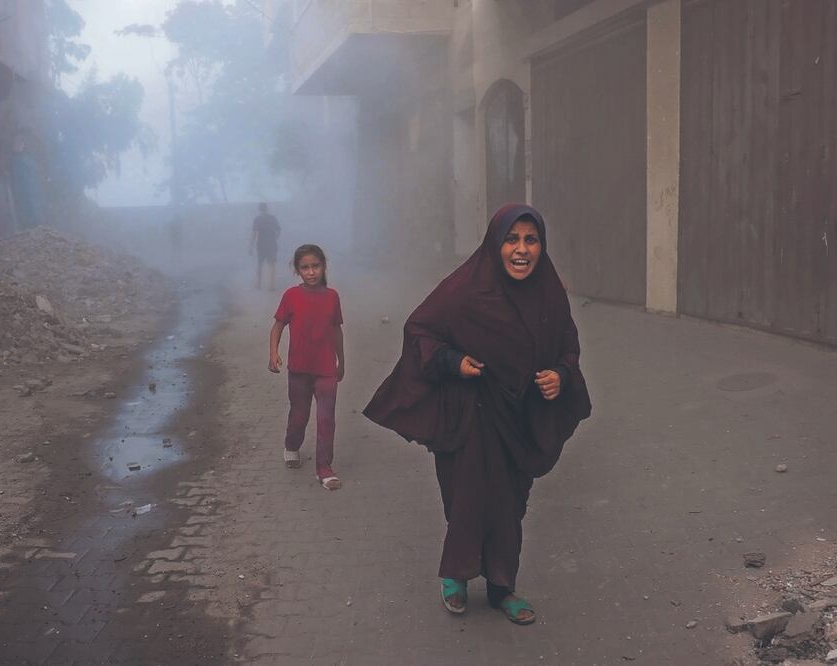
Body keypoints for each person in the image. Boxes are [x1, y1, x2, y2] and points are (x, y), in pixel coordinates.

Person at [363, 204, 591, 623]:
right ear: (494, 243)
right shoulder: (465, 288)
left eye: (531, 239)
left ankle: (503, 587)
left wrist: (561, 375)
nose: (521, 250)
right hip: (468, 416)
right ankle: (456, 574)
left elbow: (567, 347)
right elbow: (420, 330)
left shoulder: (549, 293)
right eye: (511, 239)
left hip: (521, 419)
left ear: (541, 245)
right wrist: (454, 362)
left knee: (510, 507)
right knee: (466, 499)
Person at [268, 245, 346, 491]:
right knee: (299, 415)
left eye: (316, 266)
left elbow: (336, 330)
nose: (311, 272)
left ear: (323, 267)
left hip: (325, 369)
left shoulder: (332, 296)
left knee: (326, 419)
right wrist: (273, 353)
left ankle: (324, 469)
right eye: (305, 267)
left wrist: (341, 361)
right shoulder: (291, 296)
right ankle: (292, 446)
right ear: (297, 270)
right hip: (300, 369)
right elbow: (278, 326)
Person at [9, 132, 43, 230]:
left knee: (32, 210)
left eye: (20, 142)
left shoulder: (28, 160)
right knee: (22, 210)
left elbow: (34, 178)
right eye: (15, 142)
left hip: (30, 192)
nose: (17, 144)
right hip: (19, 191)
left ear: (24, 144)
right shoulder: (12, 159)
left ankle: (35, 227)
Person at [250, 202, 282, 290]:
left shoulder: (257, 219)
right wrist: (275, 238)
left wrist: (251, 246)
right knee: (272, 264)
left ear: (259, 209)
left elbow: (254, 234)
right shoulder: (272, 218)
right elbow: (278, 230)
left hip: (261, 244)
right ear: (267, 209)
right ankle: (271, 286)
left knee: (260, 264)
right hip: (272, 244)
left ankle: (259, 284)